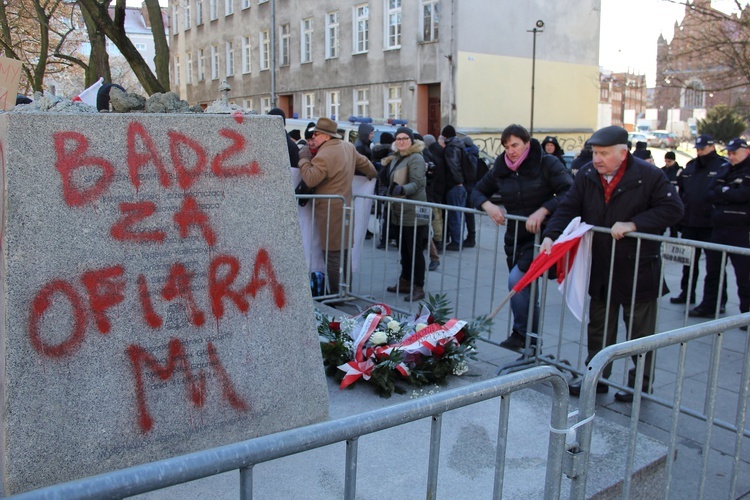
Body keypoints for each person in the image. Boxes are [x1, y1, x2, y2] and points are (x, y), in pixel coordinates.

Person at [540, 125, 683, 402]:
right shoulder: (588, 175)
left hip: (639, 267)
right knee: (599, 329)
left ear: (623, 152)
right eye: (595, 152)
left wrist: (635, 224)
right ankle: (597, 380)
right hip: (603, 266)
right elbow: (569, 206)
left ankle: (639, 386)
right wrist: (550, 236)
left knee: (640, 334)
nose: (597, 158)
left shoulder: (649, 175)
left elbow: (673, 209)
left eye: (604, 153)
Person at [471, 124, 573, 351]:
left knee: (518, 280)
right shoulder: (501, 168)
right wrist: (487, 205)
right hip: (515, 237)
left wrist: (544, 209)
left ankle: (523, 334)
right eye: (506, 146)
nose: (511, 151)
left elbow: (570, 192)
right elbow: (477, 191)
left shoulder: (547, 163)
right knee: (525, 288)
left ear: (527, 143)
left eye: (515, 145)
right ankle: (528, 339)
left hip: (544, 235)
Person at [299, 117, 378, 295]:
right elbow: (369, 167)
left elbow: (310, 178)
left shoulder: (324, 154)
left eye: (316, 134)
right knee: (343, 253)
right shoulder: (348, 147)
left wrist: (304, 159)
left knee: (333, 255)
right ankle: (345, 291)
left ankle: (337, 295)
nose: (314, 137)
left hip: (329, 211)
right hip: (345, 208)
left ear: (326, 136)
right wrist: (371, 176)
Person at [693, 138, 750, 328]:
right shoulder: (726, 169)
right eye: (729, 153)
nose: (731, 156)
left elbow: (744, 195)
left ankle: (747, 315)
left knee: (744, 276)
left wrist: (724, 192)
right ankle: (710, 305)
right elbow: (710, 192)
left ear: (746, 151)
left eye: (734, 153)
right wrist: (729, 191)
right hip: (719, 228)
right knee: (713, 271)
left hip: (741, 230)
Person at [679, 135, 729, 312]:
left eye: (702, 149)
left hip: (711, 224)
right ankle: (687, 293)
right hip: (691, 222)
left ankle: (718, 300)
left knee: (714, 266)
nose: (699, 152)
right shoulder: (691, 166)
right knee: (688, 262)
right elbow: (683, 191)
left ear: (711, 147)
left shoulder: (723, 166)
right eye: (697, 149)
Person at [382, 127, 429, 302]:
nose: (401, 141)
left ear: (411, 140)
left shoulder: (416, 157)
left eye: (405, 138)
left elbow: (418, 183)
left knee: (414, 250)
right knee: (404, 250)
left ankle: (418, 286)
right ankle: (405, 281)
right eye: (398, 138)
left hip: (414, 211)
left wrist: (402, 189)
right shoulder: (397, 157)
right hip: (399, 211)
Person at [441, 125, 468, 251]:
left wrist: (458, 181)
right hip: (461, 185)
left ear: (445, 136)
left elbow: (453, 166)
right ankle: (458, 239)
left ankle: (456, 242)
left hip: (454, 185)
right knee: (458, 214)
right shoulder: (461, 146)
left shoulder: (451, 149)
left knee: (455, 215)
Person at [423, 134, 447, 271]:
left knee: (425, 226)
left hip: (425, 196)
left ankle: (434, 255)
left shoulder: (427, 156)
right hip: (430, 193)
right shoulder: (436, 153)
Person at [462, 136, 480, 248]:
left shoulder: (469, 155)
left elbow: (470, 173)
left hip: (469, 186)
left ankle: (471, 238)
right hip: (472, 186)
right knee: (469, 213)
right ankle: (471, 237)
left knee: (468, 213)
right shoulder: (474, 152)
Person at [661, 151, 683, 237]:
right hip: (663, 202)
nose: (667, 163)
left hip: (675, 201)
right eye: (665, 161)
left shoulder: (679, 171)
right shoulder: (662, 170)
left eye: (669, 161)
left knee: (674, 229)